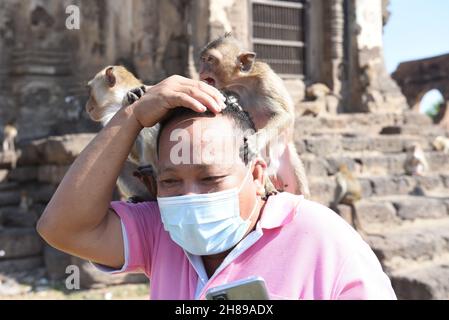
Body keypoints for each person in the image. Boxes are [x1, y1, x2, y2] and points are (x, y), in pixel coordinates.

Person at [37, 75, 396, 300]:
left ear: (256, 174)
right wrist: (132, 116)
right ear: (151, 183)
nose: (189, 197)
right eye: (171, 181)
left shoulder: (323, 239)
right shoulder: (161, 231)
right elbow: (61, 228)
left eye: (211, 179)